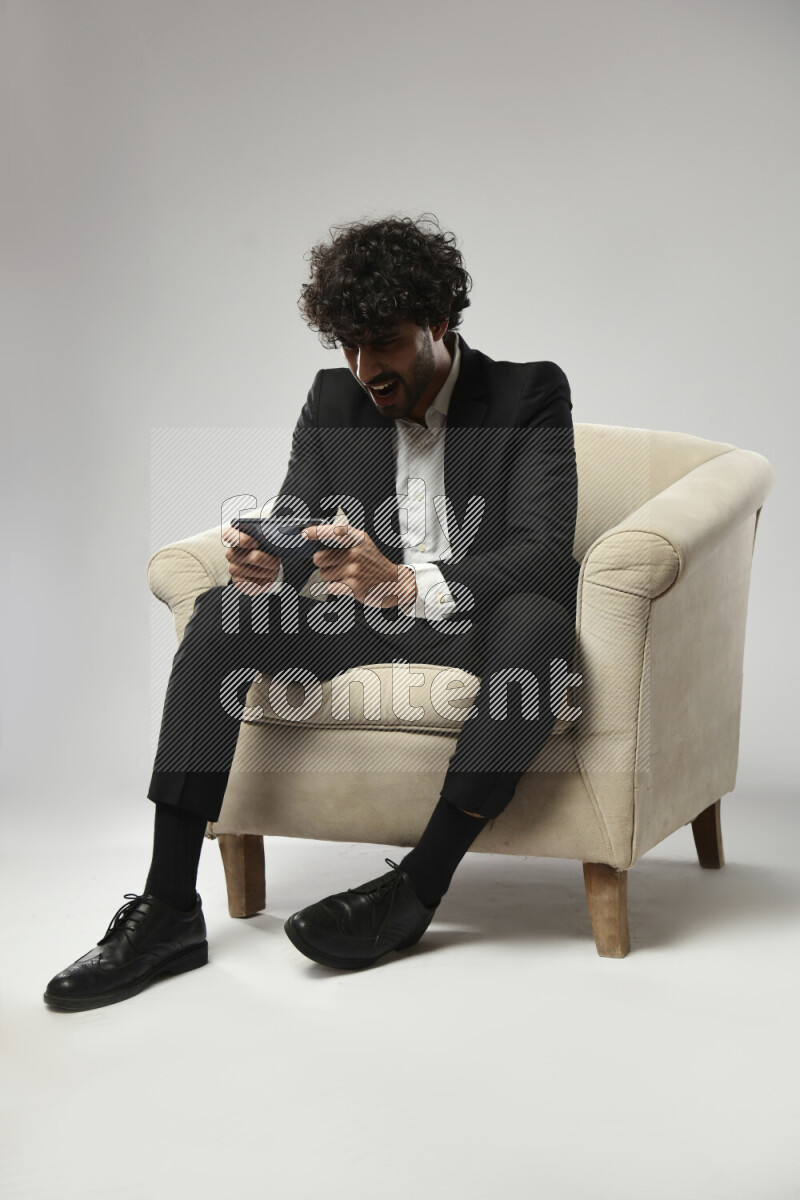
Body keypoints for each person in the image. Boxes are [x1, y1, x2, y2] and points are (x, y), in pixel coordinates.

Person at [44, 213, 581, 1009]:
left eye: (385, 343)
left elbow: (543, 553)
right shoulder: (337, 398)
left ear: (438, 322)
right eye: (349, 344)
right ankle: (166, 908)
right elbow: (302, 515)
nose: (366, 367)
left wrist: (408, 581)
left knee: (540, 624)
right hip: (363, 618)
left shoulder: (528, 391)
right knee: (225, 612)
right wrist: (273, 554)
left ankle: (416, 889)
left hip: (480, 627)